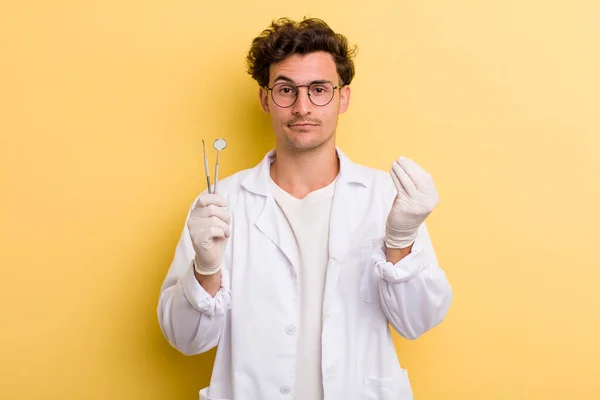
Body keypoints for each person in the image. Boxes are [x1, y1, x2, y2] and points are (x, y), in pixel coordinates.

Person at [157, 17, 452, 400]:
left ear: (343, 97)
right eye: (285, 90)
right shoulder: (219, 204)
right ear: (265, 99)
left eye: (319, 89)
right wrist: (206, 269)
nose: (302, 107)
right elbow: (186, 339)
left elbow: (419, 321)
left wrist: (400, 241)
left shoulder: (387, 198)